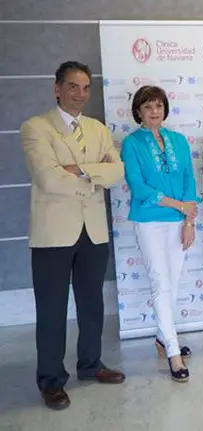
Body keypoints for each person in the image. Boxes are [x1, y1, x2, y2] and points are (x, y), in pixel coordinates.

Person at [21, 60, 126, 410]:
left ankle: (90, 364)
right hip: (54, 234)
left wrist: (80, 169)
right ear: (57, 88)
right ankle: (51, 380)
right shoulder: (36, 128)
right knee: (52, 310)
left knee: (92, 305)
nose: (80, 94)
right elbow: (48, 178)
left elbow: (117, 172)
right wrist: (95, 176)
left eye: (85, 88)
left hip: (93, 231)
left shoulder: (98, 128)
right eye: (72, 87)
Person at [121, 85, 199, 381]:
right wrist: (177, 204)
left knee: (174, 283)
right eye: (148, 107)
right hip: (150, 222)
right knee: (160, 283)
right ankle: (173, 352)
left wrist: (188, 221)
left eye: (158, 106)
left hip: (180, 221)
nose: (154, 112)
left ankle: (160, 337)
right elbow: (139, 187)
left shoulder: (178, 140)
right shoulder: (131, 144)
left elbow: (189, 180)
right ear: (138, 112)